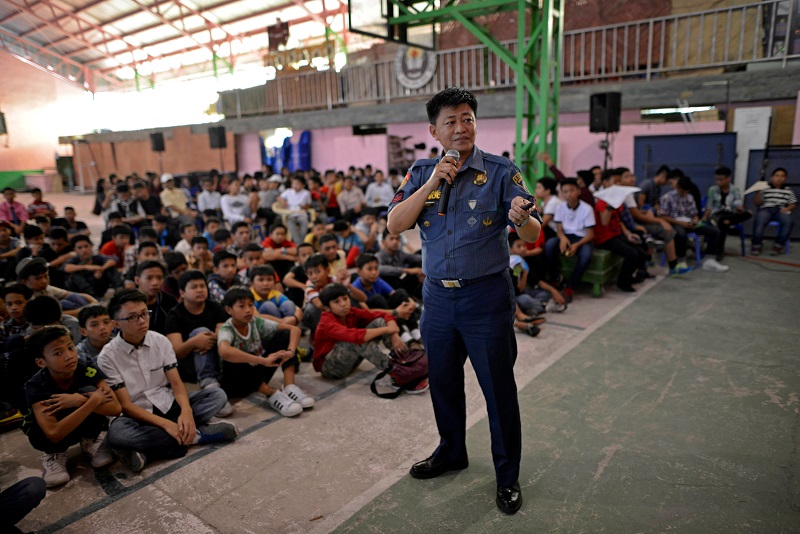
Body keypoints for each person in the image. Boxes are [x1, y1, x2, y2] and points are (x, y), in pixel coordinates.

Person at [386, 87, 541, 514]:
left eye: (468, 118)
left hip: (486, 297)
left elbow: (533, 232)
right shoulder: (419, 173)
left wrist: (523, 220)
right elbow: (396, 224)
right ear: (434, 130)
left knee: (497, 389)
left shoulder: (499, 171)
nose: (461, 127)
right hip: (437, 299)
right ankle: (452, 451)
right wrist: (435, 179)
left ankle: (507, 476)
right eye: (451, 121)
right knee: (445, 384)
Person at [98, 289, 238, 472]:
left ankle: (148, 450)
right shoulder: (107, 356)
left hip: (166, 404)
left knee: (217, 395)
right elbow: (125, 405)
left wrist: (186, 412)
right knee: (117, 434)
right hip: (136, 416)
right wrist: (167, 425)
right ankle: (197, 435)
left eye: (144, 314)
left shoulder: (160, 341)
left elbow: (177, 384)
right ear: (116, 323)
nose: (141, 321)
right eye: (132, 317)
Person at [22, 325, 121, 487]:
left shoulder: (87, 370)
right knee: (45, 417)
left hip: (81, 424)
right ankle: (54, 454)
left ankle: (89, 440)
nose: (69, 356)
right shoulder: (36, 386)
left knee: (88, 389)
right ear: (41, 362)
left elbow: (116, 409)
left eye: (70, 348)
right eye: (58, 353)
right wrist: (93, 401)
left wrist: (79, 400)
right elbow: (54, 433)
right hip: (53, 437)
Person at [217, 287, 313, 417]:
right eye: (241, 306)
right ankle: (272, 394)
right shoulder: (227, 329)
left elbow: (294, 330)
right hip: (237, 383)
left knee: (284, 335)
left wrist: (290, 352)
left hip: (258, 374)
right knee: (232, 357)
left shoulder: (255, 322)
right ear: (229, 310)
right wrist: (263, 360)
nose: (248, 310)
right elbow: (225, 352)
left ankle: (290, 387)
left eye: (250, 305)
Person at [312, 283, 419, 390]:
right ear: (327, 308)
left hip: (349, 360)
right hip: (331, 368)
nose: (344, 304)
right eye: (336, 302)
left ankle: (404, 362)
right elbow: (355, 337)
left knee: (380, 322)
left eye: (345, 298)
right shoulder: (326, 323)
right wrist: (387, 329)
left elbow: (383, 315)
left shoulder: (351, 312)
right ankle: (396, 372)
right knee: (357, 340)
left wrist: (394, 334)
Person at [660, 176, 729, 272]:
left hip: (689, 223)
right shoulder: (667, 197)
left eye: (686, 192)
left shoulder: (689, 197)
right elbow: (663, 216)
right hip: (674, 222)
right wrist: (680, 222)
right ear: (678, 188)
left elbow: (694, 214)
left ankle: (709, 260)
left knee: (715, 231)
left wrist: (695, 220)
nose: (685, 194)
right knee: (681, 234)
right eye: (683, 191)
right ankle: (681, 261)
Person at [544, 178, 595, 303]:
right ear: (561, 193)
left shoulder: (587, 209)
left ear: (578, 191)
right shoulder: (560, 207)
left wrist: (577, 245)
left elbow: (590, 234)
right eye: (565, 191)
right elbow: (559, 229)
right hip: (566, 236)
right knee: (549, 245)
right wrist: (562, 238)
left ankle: (570, 286)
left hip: (582, 239)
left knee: (586, 256)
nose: (569, 194)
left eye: (572, 190)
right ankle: (556, 278)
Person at [703, 166, 752, 261]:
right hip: (717, 214)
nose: (718, 182)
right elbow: (709, 206)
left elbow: (737, 201)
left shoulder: (735, 189)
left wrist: (739, 207)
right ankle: (720, 249)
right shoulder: (712, 189)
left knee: (746, 213)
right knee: (724, 222)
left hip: (730, 213)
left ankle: (720, 249)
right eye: (717, 179)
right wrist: (705, 217)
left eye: (721, 179)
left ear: (728, 178)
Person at [751, 167, 796, 255]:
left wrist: (787, 209)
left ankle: (778, 245)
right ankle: (756, 245)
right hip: (766, 209)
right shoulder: (765, 188)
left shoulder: (788, 190)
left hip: (780, 210)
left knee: (789, 221)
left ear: (785, 178)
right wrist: (757, 193)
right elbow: (757, 203)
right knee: (759, 219)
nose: (779, 178)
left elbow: (793, 203)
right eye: (777, 176)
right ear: (772, 177)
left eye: (782, 176)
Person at [135, 260, 179, 335]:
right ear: (137, 280)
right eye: (149, 278)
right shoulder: (126, 303)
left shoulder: (169, 301)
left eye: (159, 278)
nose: (155, 283)